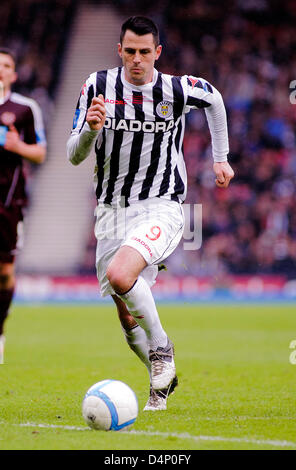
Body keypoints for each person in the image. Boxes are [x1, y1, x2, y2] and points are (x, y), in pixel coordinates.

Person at [67, 16, 234, 410]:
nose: (136, 60)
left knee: (120, 274)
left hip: (161, 205)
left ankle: (162, 350)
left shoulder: (175, 89)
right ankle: (161, 383)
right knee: (127, 318)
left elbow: (214, 98)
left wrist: (220, 159)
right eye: (130, 51)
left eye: (145, 52)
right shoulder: (97, 86)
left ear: (157, 52)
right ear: (119, 50)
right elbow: (74, 156)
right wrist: (91, 130)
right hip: (110, 212)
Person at [0, 48, 46, 364]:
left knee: (4, 274)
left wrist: (18, 147)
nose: (0, 69)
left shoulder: (25, 109)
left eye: (6, 65)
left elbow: (41, 153)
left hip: (8, 202)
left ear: (14, 74)